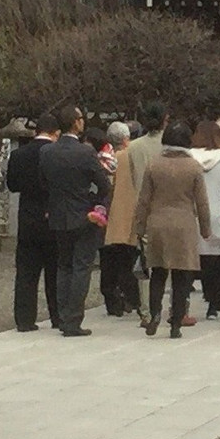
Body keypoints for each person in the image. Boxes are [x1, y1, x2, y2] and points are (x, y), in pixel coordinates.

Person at [134, 121, 212, 338]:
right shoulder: (194, 167)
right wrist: (206, 229)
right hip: (184, 224)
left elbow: (143, 200)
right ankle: (176, 322)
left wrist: (139, 227)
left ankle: (155, 314)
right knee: (182, 275)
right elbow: (202, 203)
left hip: (157, 223)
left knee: (158, 272)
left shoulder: (154, 165)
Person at [39, 105, 111, 337]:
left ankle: (61, 316)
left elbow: (43, 183)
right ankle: (73, 319)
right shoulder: (86, 153)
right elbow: (104, 185)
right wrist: (94, 203)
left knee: (63, 266)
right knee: (81, 266)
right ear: (76, 123)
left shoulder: (47, 152)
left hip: (58, 213)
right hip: (83, 214)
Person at [6, 111, 61, 332]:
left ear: (36, 131)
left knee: (27, 271)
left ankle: (24, 319)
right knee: (54, 269)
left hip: (28, 215)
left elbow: (12, 185)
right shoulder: (57, 154)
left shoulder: (19, 155)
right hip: (53, 213)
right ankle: (57, 316)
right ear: (56, 133)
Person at [128, 102, 169, 326]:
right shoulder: (170, 145)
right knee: (169, 260)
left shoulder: (133, 147)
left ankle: (145, 310)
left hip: (142, 206)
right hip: (166, 205)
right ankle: (172, 308)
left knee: (145, 259)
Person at [190, 120, 220, 319]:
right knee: (219, 259)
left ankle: (204, 296)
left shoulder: (189, 157)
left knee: (200, 259)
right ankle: (216, 302)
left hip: (196, 213)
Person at [100, 121, 140, 317]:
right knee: (127, 261)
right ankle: (131, 299)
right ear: (126, 138)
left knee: (108, 261)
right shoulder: (131, 156)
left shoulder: (102, 159)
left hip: (107, 217)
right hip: (128, 215)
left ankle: (112, 300)